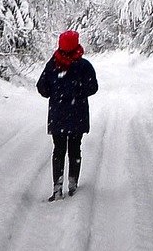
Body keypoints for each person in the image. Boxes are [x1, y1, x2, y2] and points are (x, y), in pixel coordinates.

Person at [36, 30, 98, 201]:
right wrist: (78, 93)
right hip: (77, 114)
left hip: (58, 115)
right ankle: (72, 183)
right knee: (75, 149)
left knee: (58, 150)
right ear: (77, 44)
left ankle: (57, 186)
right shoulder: (84, 66)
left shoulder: (53, 65)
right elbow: (93, 88)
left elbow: (42, 87)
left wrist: (57, 94)